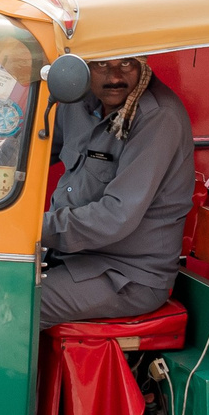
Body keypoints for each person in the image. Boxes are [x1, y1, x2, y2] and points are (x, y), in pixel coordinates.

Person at [39, 56, 196, 329]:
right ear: (82, 65)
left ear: (144, 63)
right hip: (69, 256)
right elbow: (31, 152)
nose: (114, 77)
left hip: (127, 275)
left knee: (15, 303)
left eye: (126, 64)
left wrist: (31, 228)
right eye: (101, 64)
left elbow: (115, 216)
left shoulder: (158, 117)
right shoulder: (76, 98)